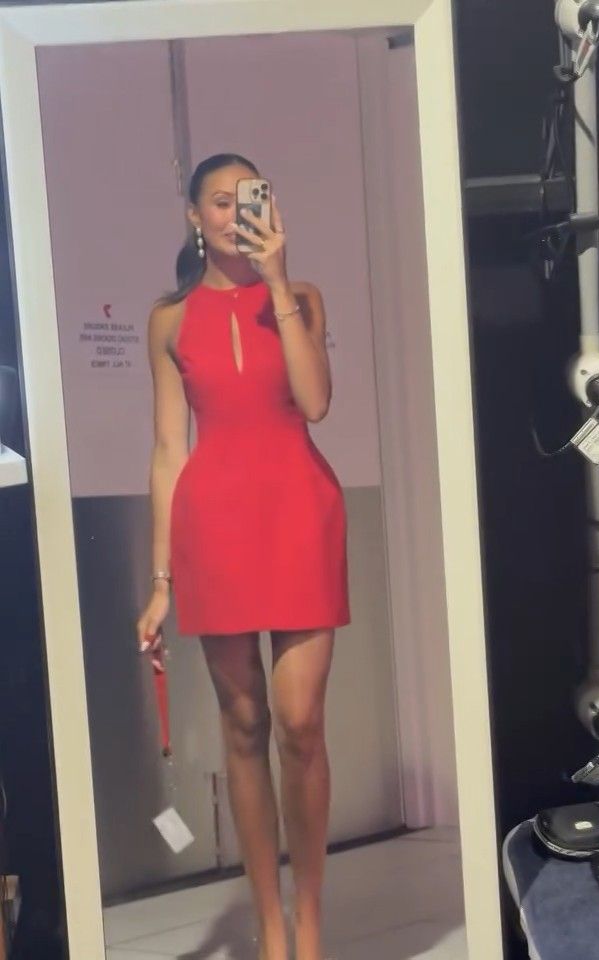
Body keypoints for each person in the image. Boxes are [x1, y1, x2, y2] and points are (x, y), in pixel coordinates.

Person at [136, 153, 350, 960]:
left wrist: (279, 279)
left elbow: (316, 402)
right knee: (245, 723)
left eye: (248, 199)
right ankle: (270, 929)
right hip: (213, 528)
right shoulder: (167, 320)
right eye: (219, 203)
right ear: (194, 216)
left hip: (300, 515)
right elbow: (168, 450)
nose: (235, 214)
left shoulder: (302, 297)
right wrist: (160, 581)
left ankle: (310, 924)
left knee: (301, 724)